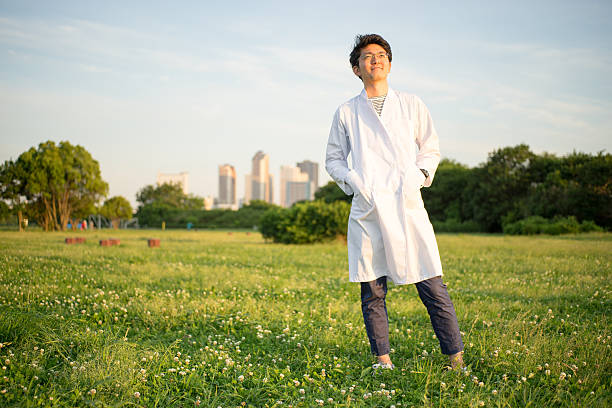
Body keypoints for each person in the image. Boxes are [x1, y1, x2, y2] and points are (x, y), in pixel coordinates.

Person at [325, 34, 464, 371]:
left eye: (382, 54)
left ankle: (456, 358)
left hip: (406, 205)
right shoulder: (346, 112)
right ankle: (383, 360)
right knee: (372, 289)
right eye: (368, 56)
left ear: (390, 63)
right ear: (356, 68)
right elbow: (333, 160)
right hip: (369, 208)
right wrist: (358, 183)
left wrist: (416, 177)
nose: (376, 60)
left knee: (432, 282)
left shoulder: (411, 104)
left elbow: (430, 147)